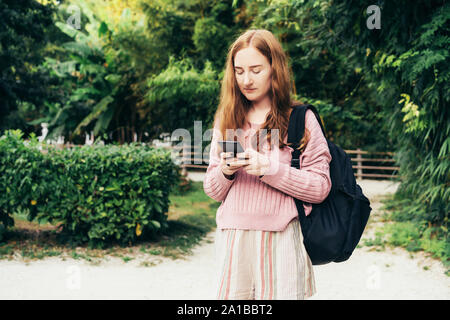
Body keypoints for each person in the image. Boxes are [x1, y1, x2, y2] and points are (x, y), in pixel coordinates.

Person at [203, 29, 332, 300]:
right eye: (239, 71)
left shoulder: (301, 119)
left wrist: (269, 170)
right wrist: (226, 171)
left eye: (256, 70)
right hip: (234, 241)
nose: (246, 80)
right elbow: (213, 190)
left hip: (281, 240)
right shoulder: (227, 118)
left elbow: (321, 188)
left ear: (275, 69)